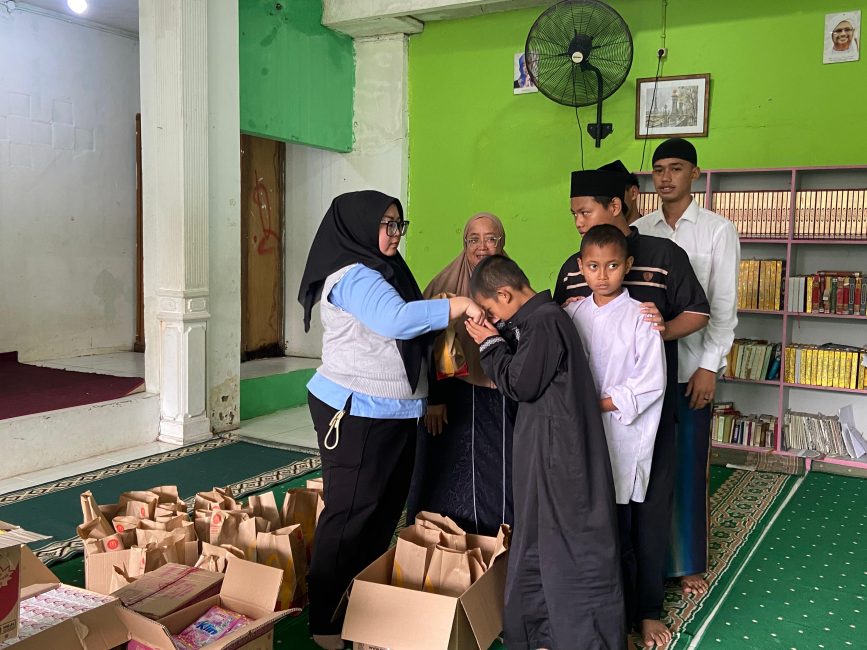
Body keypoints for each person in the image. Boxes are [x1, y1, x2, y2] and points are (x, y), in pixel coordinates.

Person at [297, 190, 486, 650]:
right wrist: (457, 305)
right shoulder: (352, 276)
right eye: (385, 224)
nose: (393, 234)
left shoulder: (387, 270)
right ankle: (325, 620)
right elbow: (397, 320)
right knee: (351, 515)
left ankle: (358, 607)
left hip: (393, 410)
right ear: (358, 225)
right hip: (355, 410)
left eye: (399, 224)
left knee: (381, 514)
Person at [553, 169, 710, 649]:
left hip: (642, 419)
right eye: (574, 214)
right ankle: (602, 607)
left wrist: (657, 330)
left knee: (646, 512)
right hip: (583, 426)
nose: (580, 220)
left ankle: (645, 609)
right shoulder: (571, 277)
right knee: (597, 517)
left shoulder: (662, 260)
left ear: (616, 206)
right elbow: (556, 337)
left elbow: (699, 312)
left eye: (586, 211)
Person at [465, 254, 625, 650]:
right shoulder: (537, 321)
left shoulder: (545, 322)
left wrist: (489, 344)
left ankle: (583, 638)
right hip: (548, 450)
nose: (492, 318)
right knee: (540, 538)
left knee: (569, 543)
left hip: (559, 457)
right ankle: (542, 630)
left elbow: (521, 385)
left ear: (505, 293)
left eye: (490, 309)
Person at [633, 138, 740, 601]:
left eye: (676, 168)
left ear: (695, 174)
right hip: (644, 371)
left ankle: (688, 562)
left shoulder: (718, 231)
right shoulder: (637, 229)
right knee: (648, 469)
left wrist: (709, 368)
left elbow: (722, 307)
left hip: (691, 366)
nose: (666, 177)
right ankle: (647, 558)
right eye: (658, 169)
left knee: (689, 465)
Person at [407, 213, 517, 536]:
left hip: (498, 396)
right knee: (445, 470)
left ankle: (497, 538)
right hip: (449, 397)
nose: (482, 247)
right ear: (464, 244)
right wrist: (433, 400)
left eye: (491, 238)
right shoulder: (443, 285)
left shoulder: (514, 284)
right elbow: (424, 346)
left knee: (498, 467)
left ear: (502, 242)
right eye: (474, 239)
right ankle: (438, 538)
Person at [600, 160, 643, 224]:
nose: (609, 204)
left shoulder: (652, 232)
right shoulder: (598, 232)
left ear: (633, 192)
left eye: (614, 194)